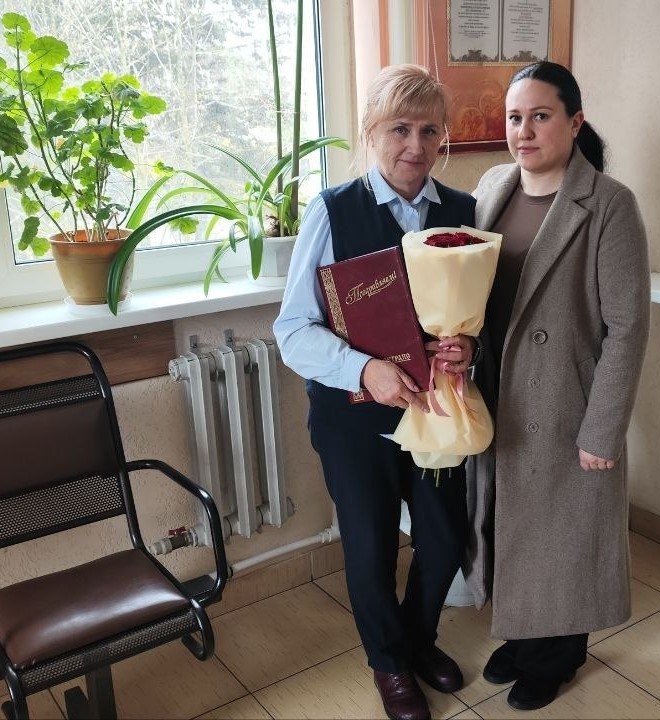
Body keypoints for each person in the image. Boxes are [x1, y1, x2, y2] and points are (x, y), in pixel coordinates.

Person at [273, 64, 477, 720]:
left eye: (429, 131)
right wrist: (364, 370)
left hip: (435, 409)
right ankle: (389, 665)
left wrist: (468, 349)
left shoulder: (463, 213)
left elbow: (476, 314)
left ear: (443, 137)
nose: (415, 146)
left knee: (445, 536)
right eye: (399, 129)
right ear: (370, 132)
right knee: (371, 545)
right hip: (353, 417)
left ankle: (417, 641)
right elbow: (292, 330)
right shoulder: (333, 210)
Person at [466, 61, 650, 711]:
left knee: (562, 534)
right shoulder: (492, 186)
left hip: (564, 397)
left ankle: (559, 654)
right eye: (515, 117)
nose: (524, 130)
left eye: (540, 116)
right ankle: (522, 637)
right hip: (497, 387)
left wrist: (603, 429)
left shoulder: (609, 204)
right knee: (512, 522)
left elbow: (628, 327)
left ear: (574, 123)